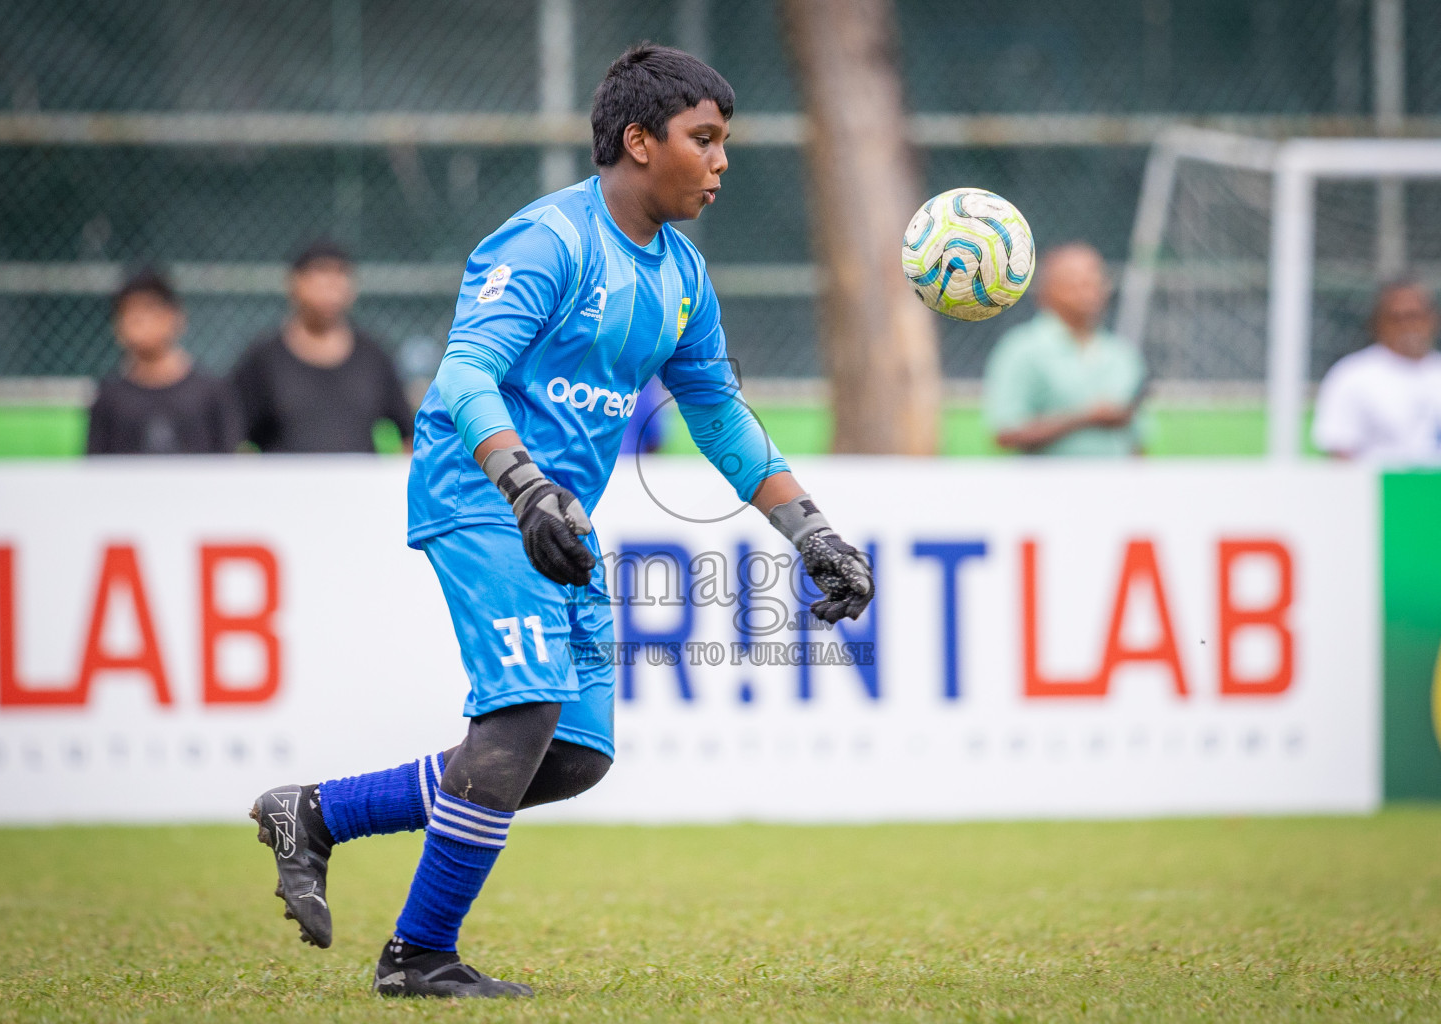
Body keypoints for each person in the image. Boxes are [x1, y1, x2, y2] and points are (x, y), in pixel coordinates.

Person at [247, 45, 873, 1000]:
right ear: (638, 140)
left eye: (724, 142)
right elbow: (462, 375)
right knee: (523, 714)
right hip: (481, 499)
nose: (721, 161)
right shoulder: (546, 242)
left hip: (557, 523)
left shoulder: (681, 277)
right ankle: (419, 958)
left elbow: (716, 415)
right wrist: (524, 486)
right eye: (703, 140)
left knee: (574, 754)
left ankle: (315, 815)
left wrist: (814, 533)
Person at [231, 241, 414, 453]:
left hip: (357, 483)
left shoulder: (373, 356)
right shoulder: (264, 359)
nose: (331, 284)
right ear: (295, 282)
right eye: (320, 272)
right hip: (284, 484)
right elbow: (230, 436)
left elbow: (408, 435)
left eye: (340, 274)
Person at [983, 242, 1147, 456]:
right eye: (1077, 284)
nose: (1090, 292)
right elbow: (1005, 433)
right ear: (1046, 291)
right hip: (1047, 488)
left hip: (1115, 487)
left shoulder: (1122, 355)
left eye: (1096, 282)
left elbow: (1136, 441)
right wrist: (1085, 418)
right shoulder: (1022, 349)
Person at [1312, 277, 1441, 467]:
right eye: (1397, 318)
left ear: (1434, 318)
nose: (1408, 326)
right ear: (1378, 322)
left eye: (1415, 315)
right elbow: (1339, 452)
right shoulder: (1351, 375)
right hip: (1384, 493)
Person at [86, 268, 240, 455]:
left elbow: (228, 464)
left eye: (149, 309)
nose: (140, 321)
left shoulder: (211, 393)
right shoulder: (109, 397)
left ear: (175, 317)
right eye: (130, 312)